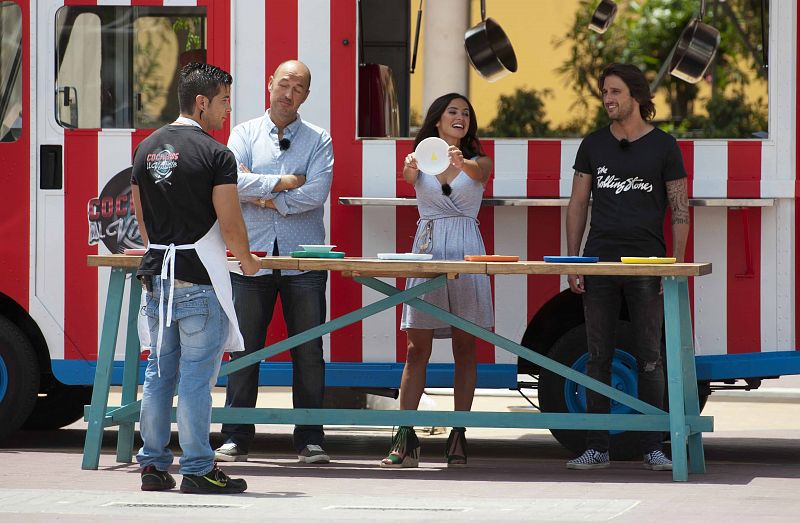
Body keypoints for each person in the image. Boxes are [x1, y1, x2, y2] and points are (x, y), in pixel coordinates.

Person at [131, 62, 261, 494]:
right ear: (202, 102)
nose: (228, 110)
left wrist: (162, 246)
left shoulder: (147, 147)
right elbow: (230, 221)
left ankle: (151, 465)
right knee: (195, 380)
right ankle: (199, 468)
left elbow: (141, 217)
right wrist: (247, 261)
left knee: (157, 374)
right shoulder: (216, 154)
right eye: (224, 101)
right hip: (199, 279)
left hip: (158, 275)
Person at [565, 63, 690, 471]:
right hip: (599, 259)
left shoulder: (665, 146)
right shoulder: (593, 144)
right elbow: (578, 203)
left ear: (635, 95)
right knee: (597, 354)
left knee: (650, 356)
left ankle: (655, 446)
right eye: (604, 93)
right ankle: (596, 446)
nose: (608, 99)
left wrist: (675, 264)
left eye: (615, 92)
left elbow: (680, 211)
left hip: (648, 262)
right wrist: (574, 259)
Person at [215, 60, 334, 464]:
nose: (289, 93)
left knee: (309, 349)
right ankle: (234, 436)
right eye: (284, 84)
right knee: (244, 348)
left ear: (306, 95)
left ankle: (311, 438)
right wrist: (284, 184)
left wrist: (264, 195)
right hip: (251, 256)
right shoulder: (243, 133)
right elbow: (232, 183)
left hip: (304, 258)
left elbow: (316, 194)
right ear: (269, 85)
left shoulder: (319, 139)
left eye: (299, 88)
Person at [380, 93, 494, 468]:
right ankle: (404, 432)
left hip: (465, 248)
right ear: (437, 120)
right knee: (417, 348)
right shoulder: (421, 159)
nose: (460, 117)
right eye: (452, 112)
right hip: (427, 248)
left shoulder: (479, 160)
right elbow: (409, 178)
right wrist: (410, 168)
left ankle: (458, 434)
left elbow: (480, 175)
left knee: (465, 347)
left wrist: (463, 163)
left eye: (465, 112)